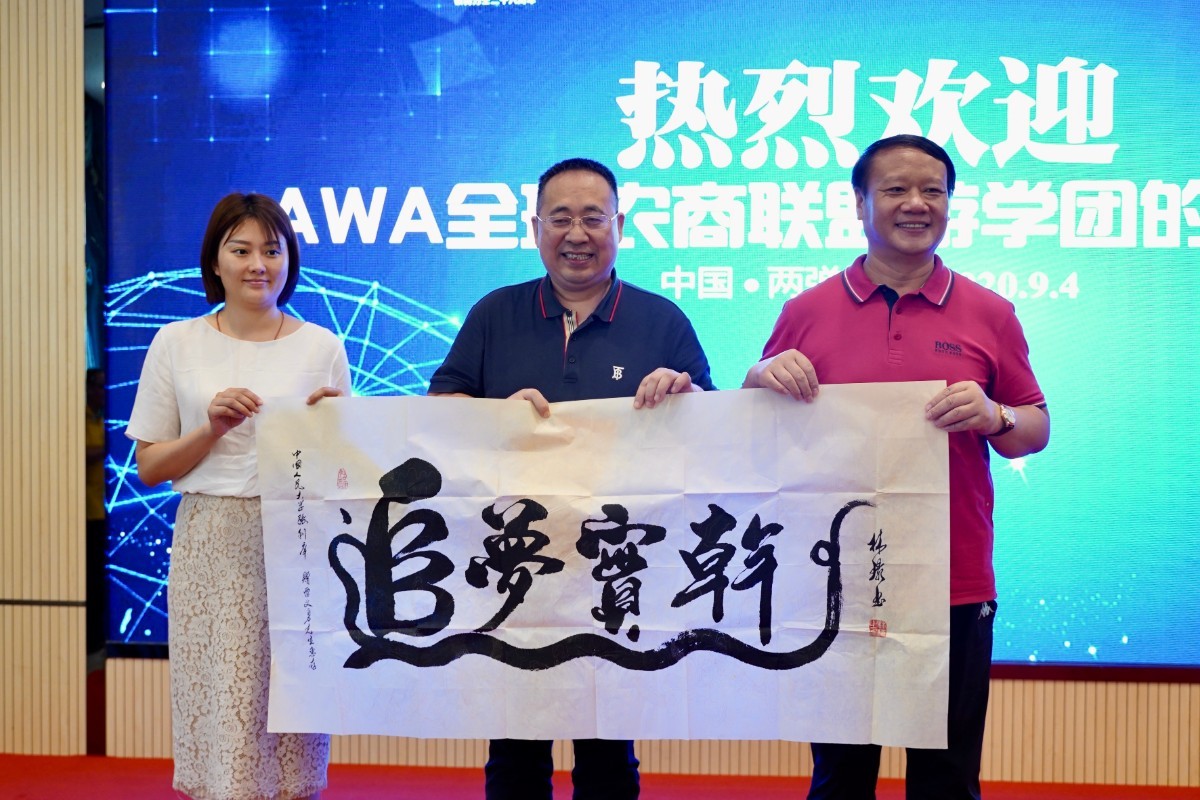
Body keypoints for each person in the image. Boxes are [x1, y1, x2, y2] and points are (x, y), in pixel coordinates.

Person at [743, 134, 1050, 800]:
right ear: (860, 204)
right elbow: (754, 430)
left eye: (933, 191)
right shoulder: (806, 311)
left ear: (950, 203)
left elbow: (1034, 428)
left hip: (953, 582)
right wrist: (758, 377)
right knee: (840, 779)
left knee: (946, 780)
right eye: (896, 190)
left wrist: (994, 414)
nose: (917, 204)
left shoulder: (991, 313)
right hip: (838, 580)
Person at [428, 157, 715, 800]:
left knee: (609, 749)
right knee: (515, 750)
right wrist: (493, 415)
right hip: (514, 565)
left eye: (593, 218)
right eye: (560, 218)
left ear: (620, 226)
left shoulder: (661, 320)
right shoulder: (494, 314)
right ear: (535, 228)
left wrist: (686, 394)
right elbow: (440, 409)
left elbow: (715, 432)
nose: (577, 234)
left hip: (618, 568)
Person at [126, 192, 350, 800]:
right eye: (242, 250)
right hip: (214, 538)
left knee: (293, 708)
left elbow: (344, 477)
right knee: (225, 702)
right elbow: (149, 467)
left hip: (300, 541)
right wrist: (212, 428)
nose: (258, 265)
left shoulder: (322, 347)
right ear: (215, 261)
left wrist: (337, 432)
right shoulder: (176, 342)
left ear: (289, 260)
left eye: (272, 251)